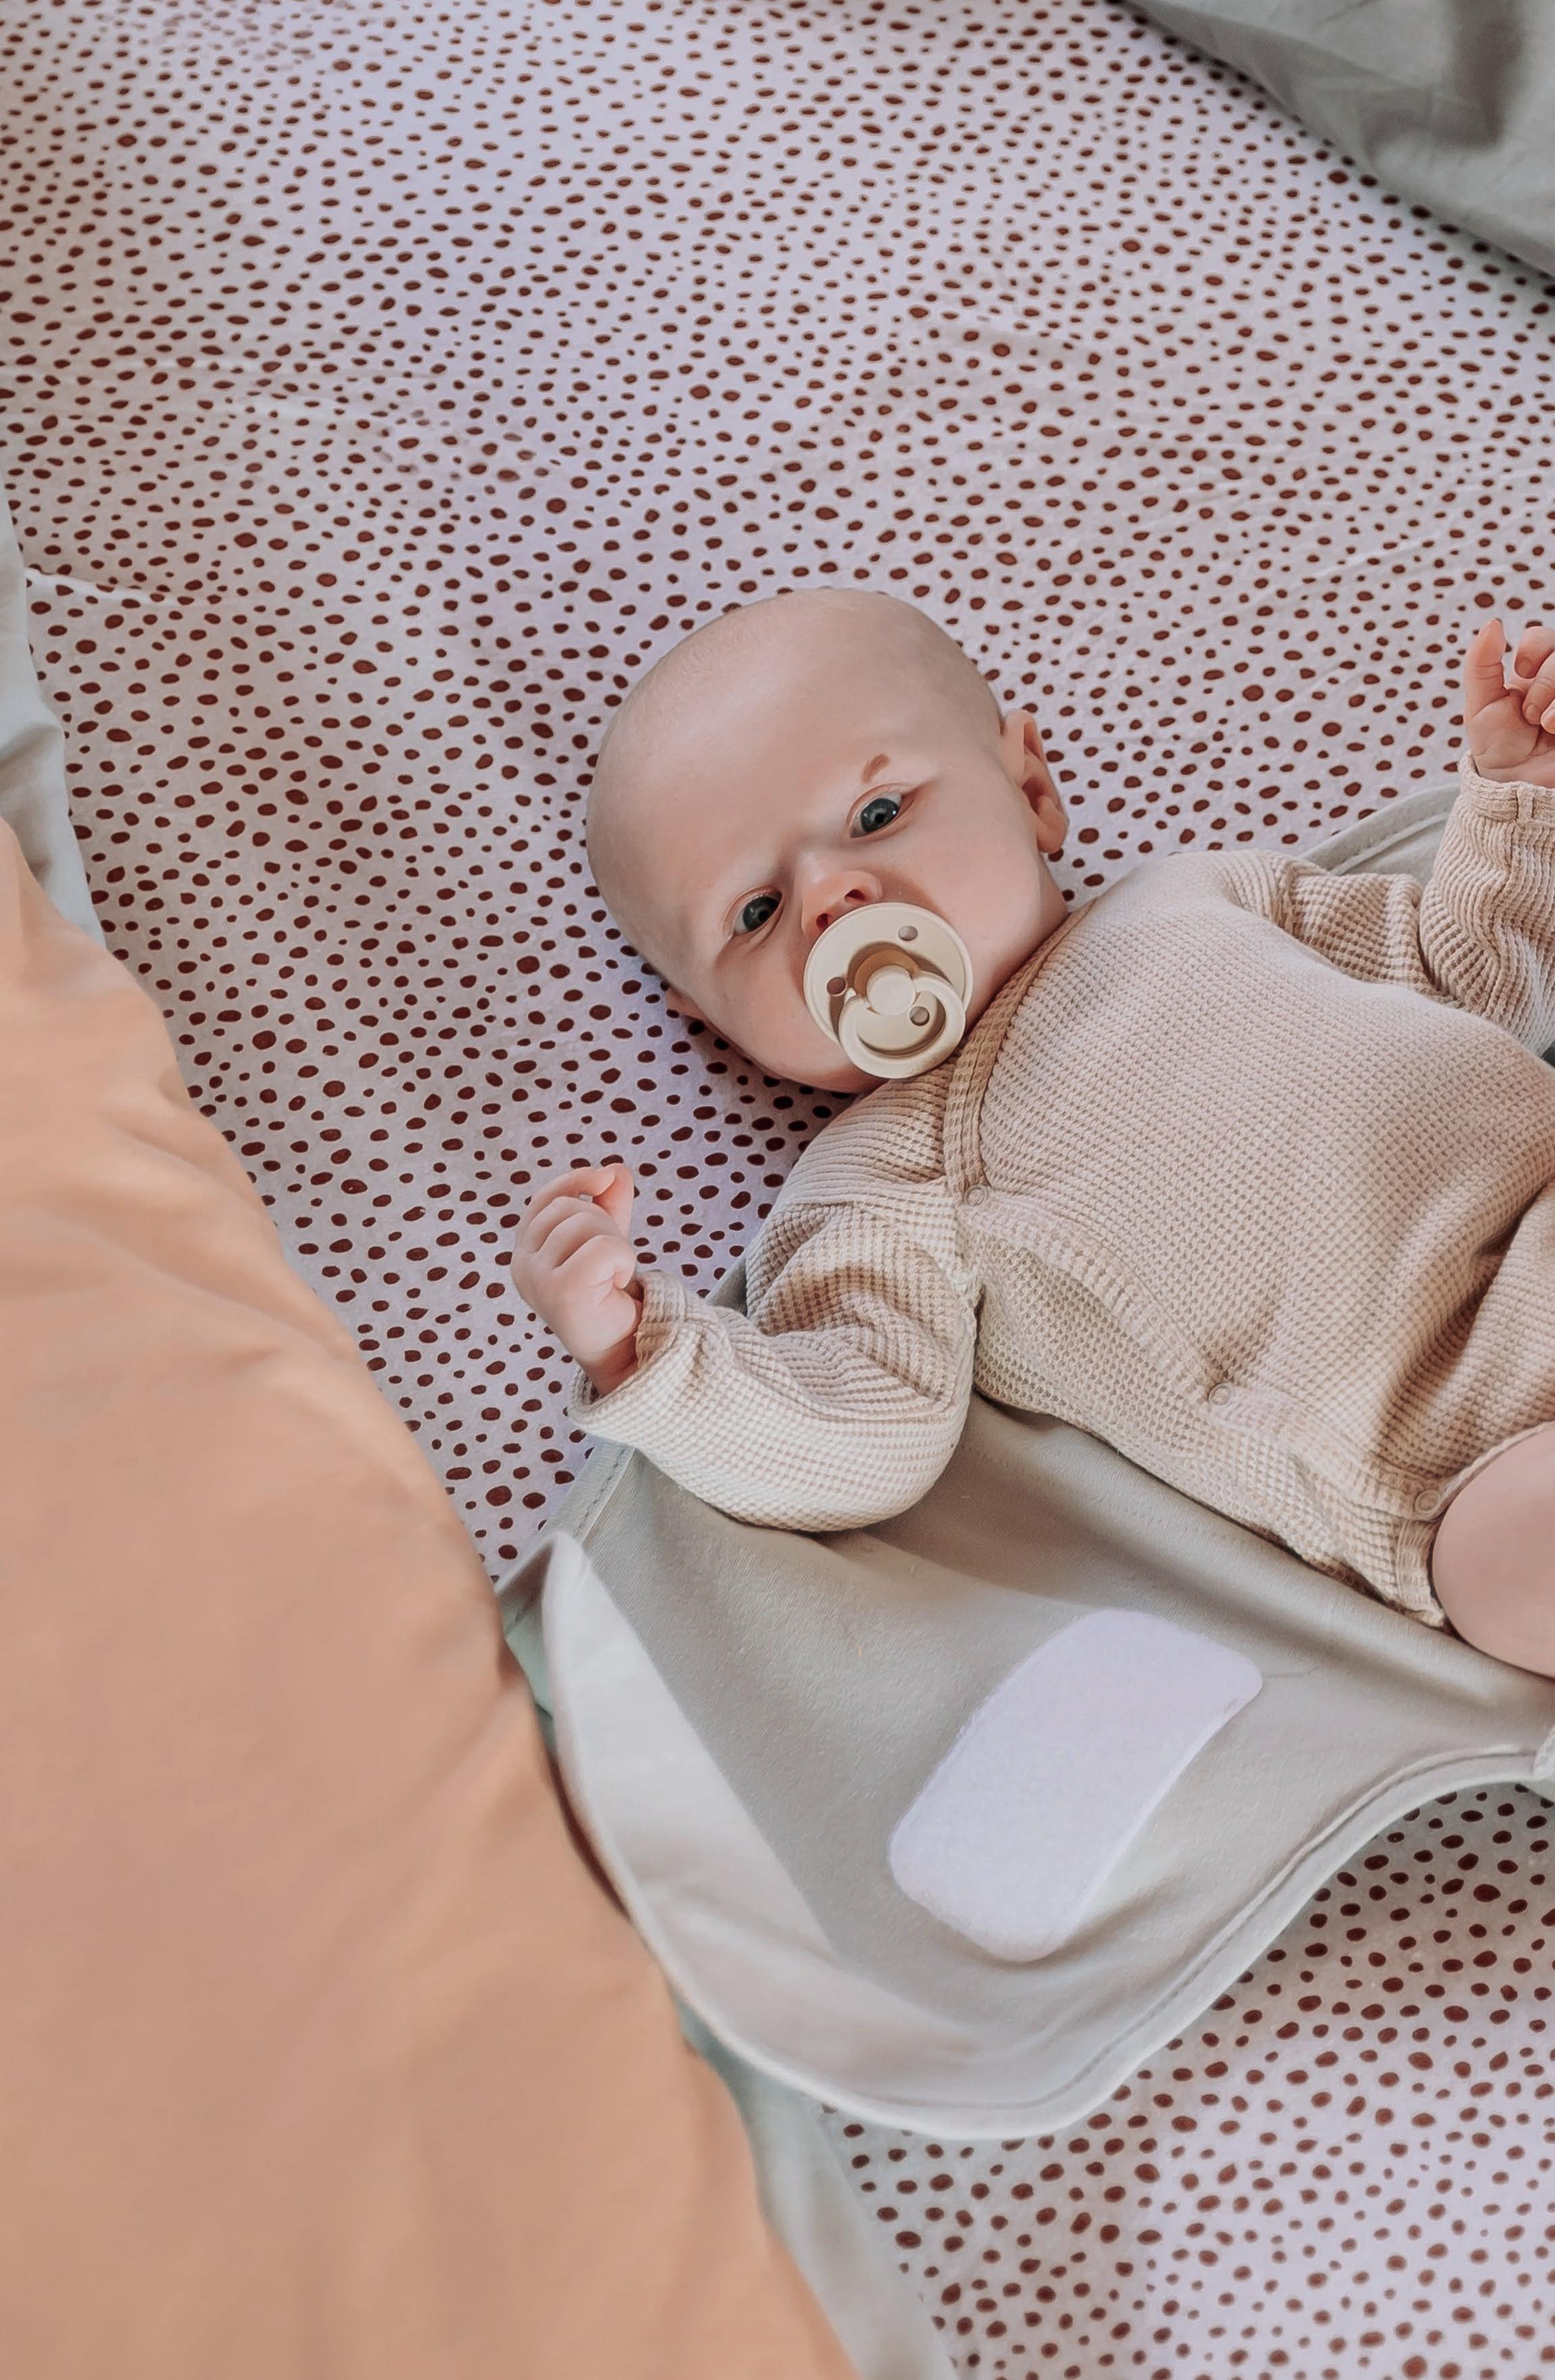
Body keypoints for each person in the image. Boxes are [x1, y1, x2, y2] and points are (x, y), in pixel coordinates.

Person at [513, 589, 1555, 1676]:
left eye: (876, 813)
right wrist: (645, 1346)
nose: (830, 895)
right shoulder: (882, 1171)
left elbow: (1469, 981)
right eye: (755, 914)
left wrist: (1516, 805)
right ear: (712, 1021)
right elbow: (864, 1430)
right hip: (1455, 1455)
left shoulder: (1198, 895)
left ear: (1031, 794)